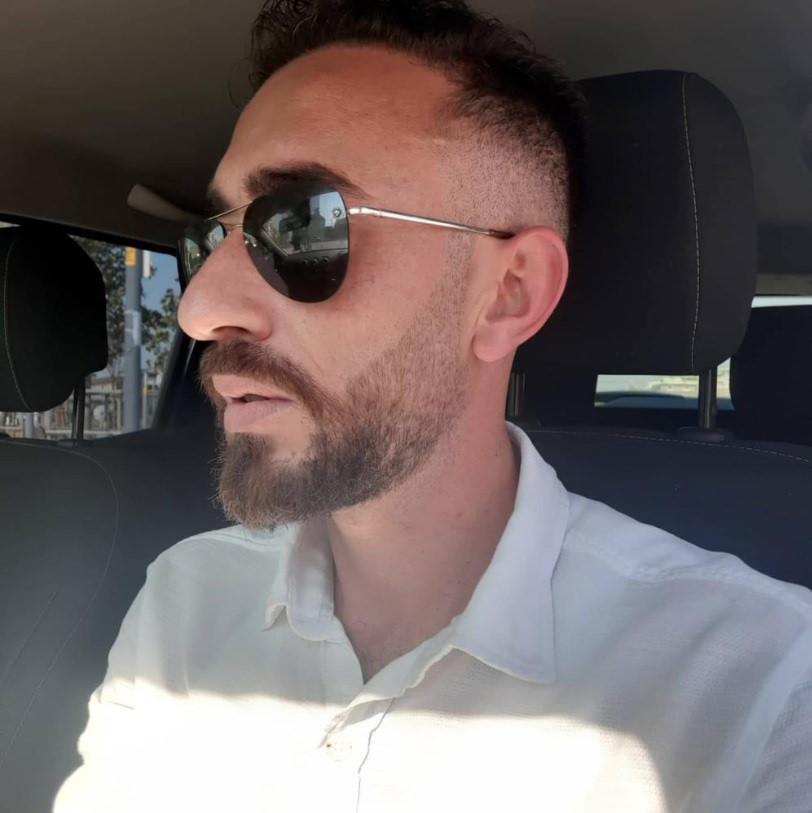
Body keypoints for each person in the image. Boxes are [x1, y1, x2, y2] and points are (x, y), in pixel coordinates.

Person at [55, 1, 812, 811]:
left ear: (508, 293)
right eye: (210, 242)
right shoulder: (184, 595)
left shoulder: (763, 687)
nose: (200, 310)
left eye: (301, 225)